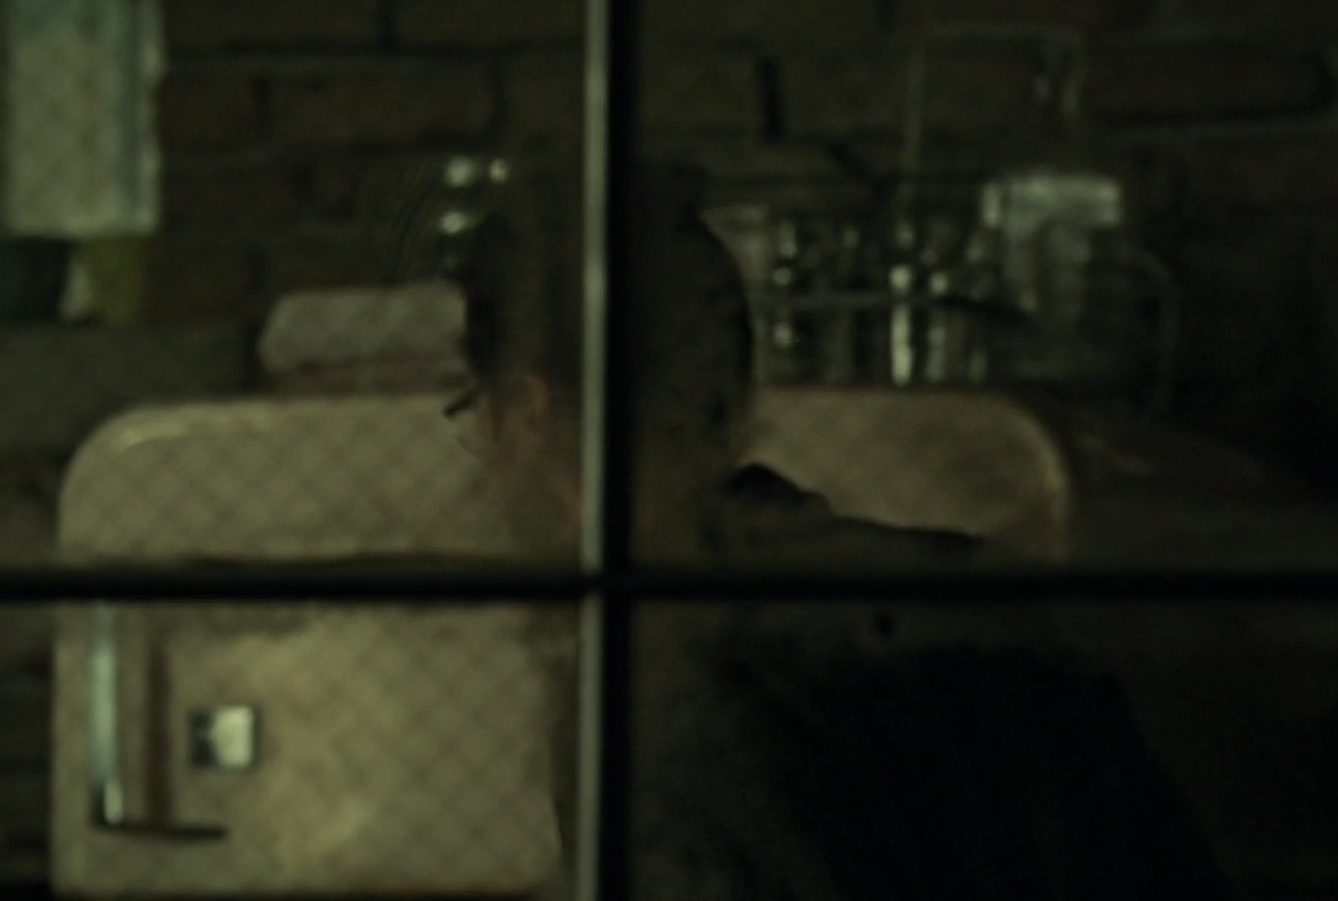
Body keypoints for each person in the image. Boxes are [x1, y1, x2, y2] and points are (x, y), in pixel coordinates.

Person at [453, 162, 1234, 900]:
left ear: (527, 415)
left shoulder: (646, 692)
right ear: (729, 397)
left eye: (474, 418)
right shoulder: (973, 609)